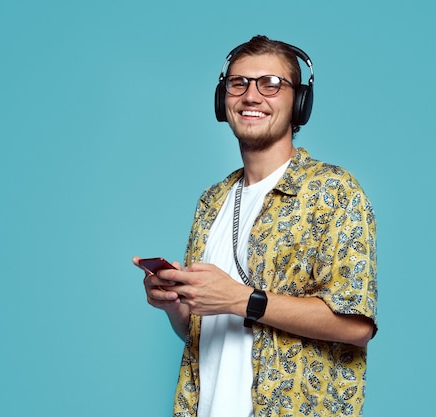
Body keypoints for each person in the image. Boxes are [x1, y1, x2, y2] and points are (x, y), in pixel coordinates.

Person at [133, 35, 378, 417]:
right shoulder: (212, 201)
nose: (251, 96)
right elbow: (203, 333)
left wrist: (239, 299)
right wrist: (175, 304)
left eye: (271, 84)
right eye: (238, 83)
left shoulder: (332, 191)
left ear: (299, 102)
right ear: (222, 98)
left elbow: (356, 326)